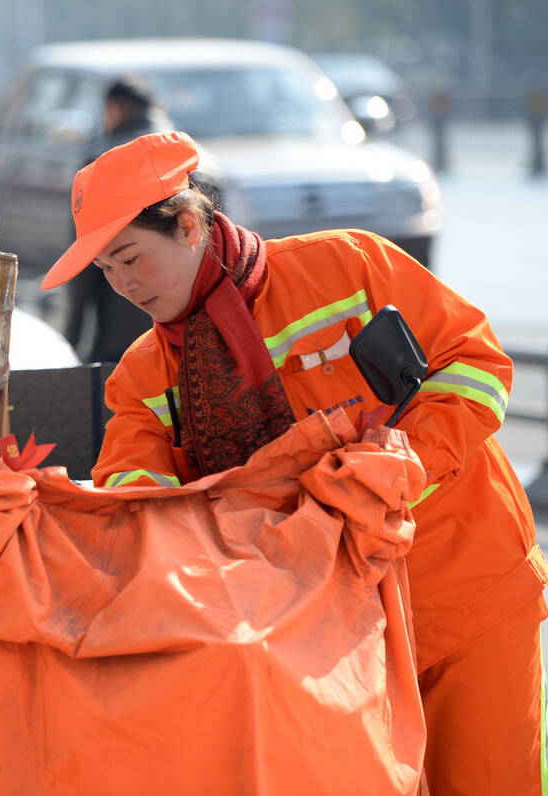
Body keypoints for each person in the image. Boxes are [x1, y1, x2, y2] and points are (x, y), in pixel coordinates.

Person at [41, 131, 547, 795]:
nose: (123, 285)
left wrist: (406, 461)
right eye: (105, 271)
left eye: (130, 257)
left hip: (463, 588)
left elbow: (476, 363)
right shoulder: (142, 379)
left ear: (189, 226)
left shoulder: (347, 265)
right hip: (317, 646)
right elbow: (141, 501)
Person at [64, 75, 167, 363]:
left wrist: (71, 338)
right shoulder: (196, 158)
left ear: (115, 109)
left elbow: (82, 263)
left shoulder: (102, 164)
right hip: (187, 330)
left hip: (120, 335)